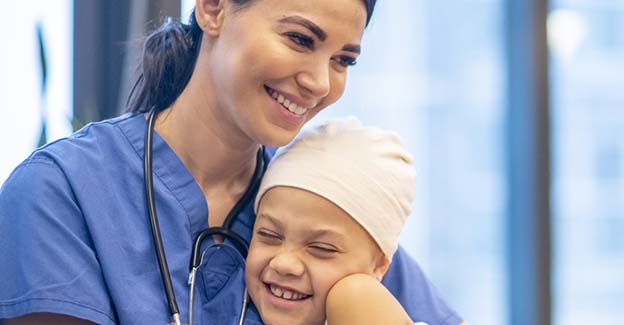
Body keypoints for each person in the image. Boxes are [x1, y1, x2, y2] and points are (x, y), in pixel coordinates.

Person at [0, 0, 463, 324]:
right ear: (214, 7)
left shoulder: (319, 196)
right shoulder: (61, 194)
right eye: (300, 38)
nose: (321, 82)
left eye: (343, 60)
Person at [248, 117, 419, 325]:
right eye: (268, 235)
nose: (284, 264)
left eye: (321, 248)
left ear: (380, 265)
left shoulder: (357, 299)